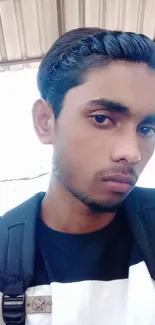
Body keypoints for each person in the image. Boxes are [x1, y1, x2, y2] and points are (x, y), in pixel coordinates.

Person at [1, 27, 155, 325]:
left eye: (147, 129)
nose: (132, 153)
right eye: (102, 118)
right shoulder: (6, 257)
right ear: (45, 122)